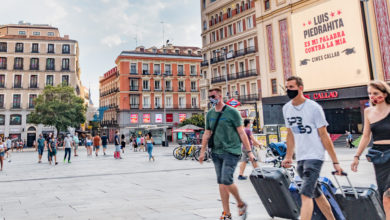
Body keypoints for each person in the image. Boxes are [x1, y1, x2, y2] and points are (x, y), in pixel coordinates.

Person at [281, 76, 343, 220]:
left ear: (300, 88)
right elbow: (290, 134)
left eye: (291, 87)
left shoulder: (314, 108)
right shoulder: (286, 108)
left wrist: (335, 161)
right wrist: (289, 156)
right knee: (315, 193)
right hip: (302, 156)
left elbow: (324, 135)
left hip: (315, 156)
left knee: (305, 193)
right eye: (287, 87)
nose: (288, 90)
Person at [199, 88, 254, 220]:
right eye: (210, 96)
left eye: (213, 96)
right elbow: (207, 133)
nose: (211, 98)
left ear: (220, 96)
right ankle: (226, 213)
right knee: (221, 183)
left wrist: (249, 152)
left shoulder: (232, 112)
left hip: (231, 150)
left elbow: (241, 133)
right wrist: (202, 152)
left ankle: (241, 204)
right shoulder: (210, 114)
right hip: (216, 152)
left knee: (226, 180)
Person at [351, 80, 390, 218]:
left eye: (376, 93)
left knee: (388, 196)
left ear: (384, 94)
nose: (372, 97)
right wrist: (356, 156)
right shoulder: (368, 112)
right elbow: (366, 136)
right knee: (383, 196)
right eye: (369, 94)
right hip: (379, 157)